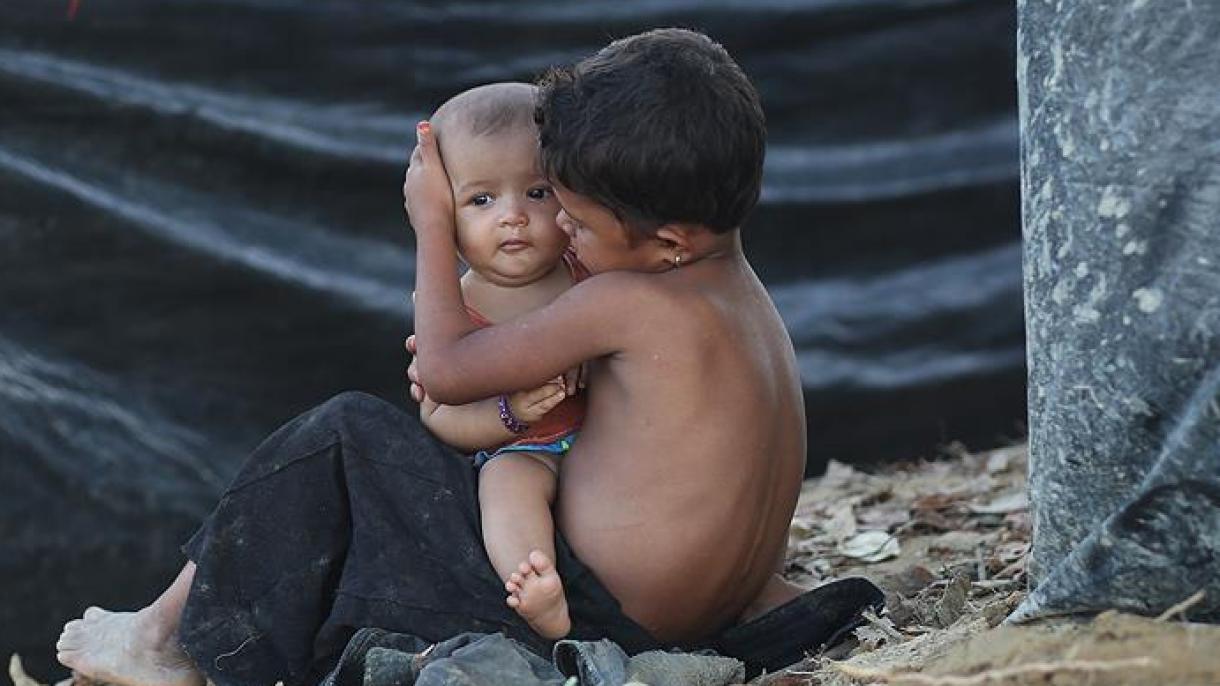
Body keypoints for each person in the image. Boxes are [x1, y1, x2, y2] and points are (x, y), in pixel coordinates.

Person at [56, 28, 882, 686]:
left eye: (577, 223)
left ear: (666, 241)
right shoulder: (745, 299)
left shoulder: (632, 299)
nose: (562, 238)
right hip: (713, 608)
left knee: (342, 433)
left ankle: (164, 638)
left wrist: (431, 226)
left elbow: (444, 372)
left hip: (591, 608)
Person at [416, 81, 590, 639]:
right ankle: (536, 582)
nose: (512, 217)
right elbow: (438, 415)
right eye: (482, 200)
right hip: (529, 450)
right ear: (444, 214)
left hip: (609, 445)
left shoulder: (589, 269)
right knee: (505, 486)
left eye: (537, 193)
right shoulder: (452, 307)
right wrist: (510, 415)